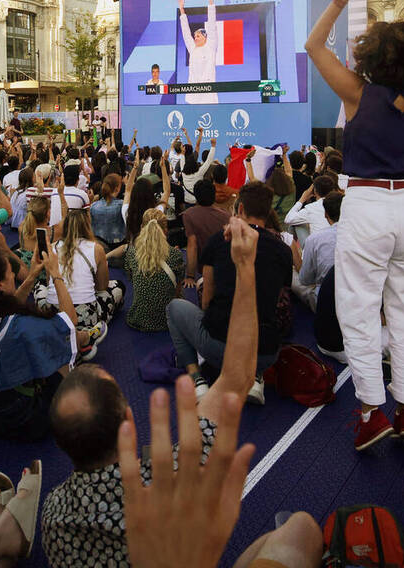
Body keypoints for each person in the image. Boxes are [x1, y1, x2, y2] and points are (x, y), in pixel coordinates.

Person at [42, 216, 261, 568]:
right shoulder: (173, 474)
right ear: (129, 418)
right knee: (297, 532)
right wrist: (246, 267)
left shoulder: (52, 513)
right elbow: (238, 379)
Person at [305, 0, 404, 450]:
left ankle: (370, 412)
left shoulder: (357, 94)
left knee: (360, 311)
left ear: (371, 55)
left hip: (365, 203)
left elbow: (314, 45)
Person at [167, 182, 291, 405]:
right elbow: (278, 300)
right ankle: (255, 376)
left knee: (174, 307)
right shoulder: (282, 250)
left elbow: (206, 300)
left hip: (220, 346)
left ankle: (196, 379)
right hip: (265, 352)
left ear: (240, 209)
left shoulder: (219, 241)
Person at [0, 247, 80, 441]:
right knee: (61, 344)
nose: (14, 275)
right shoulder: (20, 328)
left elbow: (5, 310)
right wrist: (56, 275)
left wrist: (32, 276)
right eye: (10, 273)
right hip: (22, 419)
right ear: (0, 285)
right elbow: (70, 322)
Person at [36, 209, 122, 338]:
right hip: (86, 316)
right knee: (118, 287)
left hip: (53, 314)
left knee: (40, 285)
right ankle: (88, 331)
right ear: (87, 226)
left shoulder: (52, 247)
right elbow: (102, 287)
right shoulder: (96, 248)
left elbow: (50, 282)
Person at [124, 208, 185, 332]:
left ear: (142, 227)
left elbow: (132, 280)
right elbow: (177, 291)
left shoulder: (131, 252)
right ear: (165, 230)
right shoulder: (175, 255)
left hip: (138, 319)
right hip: (167, 320)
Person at [295, 191, 343, 312]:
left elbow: (305, 280)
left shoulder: (315, 239)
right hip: (356, 298)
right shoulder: (363, 235)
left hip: (325, 301)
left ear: (326, 214)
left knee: (294, 277)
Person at [178, 0, 223, 104]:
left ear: (205, 37)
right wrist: (182, 10)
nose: (195, 38)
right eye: (195, 36)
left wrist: (210, 1)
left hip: (208, 97)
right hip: (193, 97)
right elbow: (186, 33)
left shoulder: (211, 46)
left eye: (198, 35)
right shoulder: (193, 49)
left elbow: (212, 25)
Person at [181, 178, 228, 281]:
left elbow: (192, 246)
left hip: (202, 269)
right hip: (223, 267)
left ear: (196, 195)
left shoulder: (189, 215)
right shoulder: (226, 215)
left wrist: (190, 276)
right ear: (213, 194)